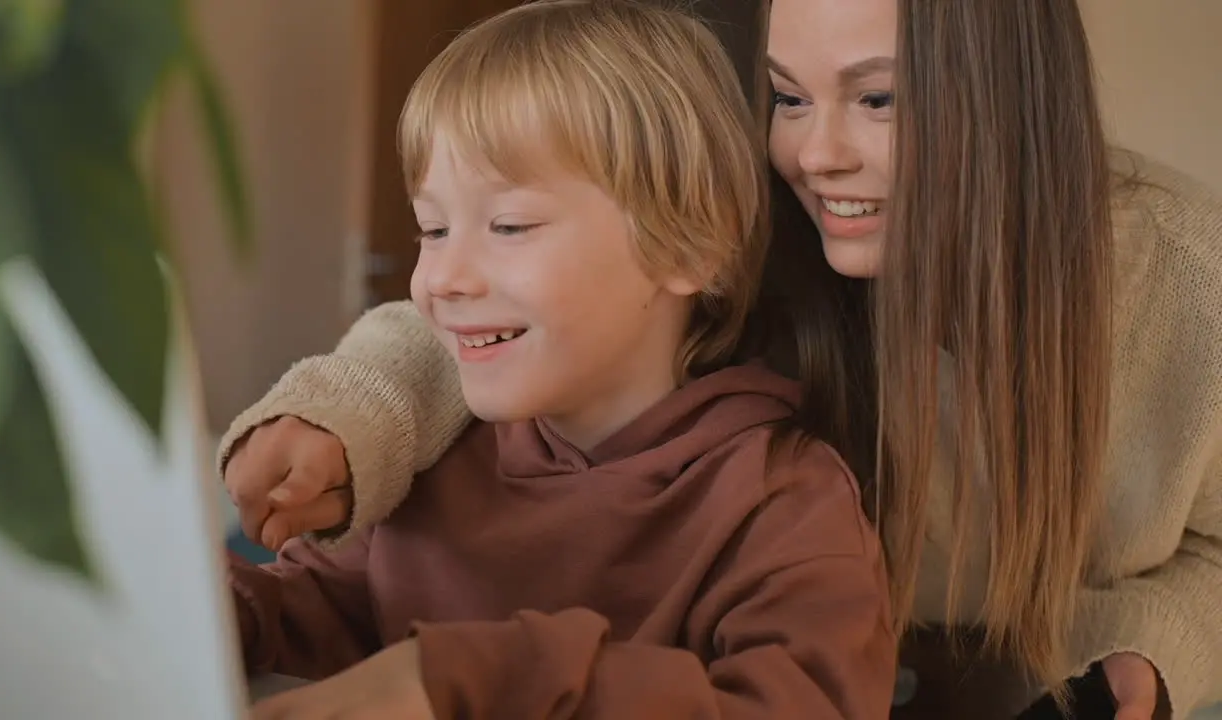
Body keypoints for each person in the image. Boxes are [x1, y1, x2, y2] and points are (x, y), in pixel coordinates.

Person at [222, 0, 1222, 717]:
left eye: (876, 100)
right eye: (786, 98)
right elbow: (480, 325)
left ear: (1006, 99)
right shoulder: (767, 207)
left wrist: (1138, 660)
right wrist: (335, 419)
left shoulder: (1181, 284)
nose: (812, 153)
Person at [230, 2, 896, 718]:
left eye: (509, 225)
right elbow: (311, 607)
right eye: (432, 228)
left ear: (690, 245)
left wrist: (478, 678)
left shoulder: (780, 500)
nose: (444, 278)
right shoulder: (441, 454)